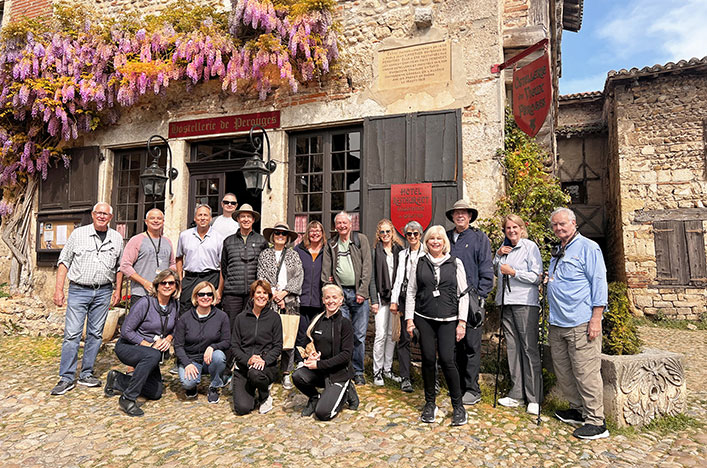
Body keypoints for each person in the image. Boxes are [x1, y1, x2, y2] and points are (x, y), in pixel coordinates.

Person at [547, 207, 609, 440]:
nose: (558, 228)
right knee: (564, 371)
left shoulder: (588, 248)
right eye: (555, 225)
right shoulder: (558, 250)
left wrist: (596, 318)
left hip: (581, 321)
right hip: (558, 322)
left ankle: (596, 421)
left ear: (574, 223)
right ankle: (578, 410)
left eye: (562, 224)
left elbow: (599, 283)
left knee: (586, 372)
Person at [51, 202, 124, 396]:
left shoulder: (116, 238)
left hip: (103, 291)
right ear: (92, 215)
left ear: (110, 217)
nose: (101, 216)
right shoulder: (78, 234)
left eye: (105, 214)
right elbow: (64, 261)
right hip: (78, 290)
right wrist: (59, 289)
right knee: (72, 334)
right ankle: (66, 377)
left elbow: (119, 267)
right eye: (98, 213)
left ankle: (86, 373)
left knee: (95, 334)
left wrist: (117, 290)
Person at [405, 225, 469, 426]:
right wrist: (409, 319)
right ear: (427, 241)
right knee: (428, 359)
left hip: (449, 319)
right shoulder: (419, 262)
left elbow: (463, 294)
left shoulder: (455, 262)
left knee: (448, 360)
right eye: (431, 238)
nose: (435, 242)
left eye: (439, 239)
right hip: (424, 316)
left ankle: (458, 406)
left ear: (444, 242)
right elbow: (411, 291)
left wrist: (462, 322)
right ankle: (430, 403)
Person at [104, 269, 179, 416]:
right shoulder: (145, 303)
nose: (167, 286)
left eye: (171, 283)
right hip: (129, 347)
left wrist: (169, 339)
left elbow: (176, 327)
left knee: (156, 392)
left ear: (176, 286)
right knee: (152, 355)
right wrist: (148, 345)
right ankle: (128, 398)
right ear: (157, 285)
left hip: (152, 353)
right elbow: (126, 330)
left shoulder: (175, 305)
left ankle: (117, 379)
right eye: (163, 283)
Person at [493, 214, 543, 415]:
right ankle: (516, 394)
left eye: (515, 227)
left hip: (525, 302)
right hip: (506, 302)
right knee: (512, 348)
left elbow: (536, 277)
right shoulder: (504, 249)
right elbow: (497, 272)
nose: (511, 231)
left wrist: (513, 272)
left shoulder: (530, 247)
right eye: (508, 228)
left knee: (529, 348)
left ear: (522, 228)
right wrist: (497, 255)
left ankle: (534, 398)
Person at [445, 199, 494, 406]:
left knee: (471, 345)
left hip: (472, 299)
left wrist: (481, 296)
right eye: (457, 213)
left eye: (464, 213)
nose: (460, 216)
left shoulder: (479, 238)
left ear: (470, 216)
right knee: (453, 345)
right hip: (449, 300)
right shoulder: (446, 237)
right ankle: (457, 387)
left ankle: (472, 389)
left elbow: (486, 269)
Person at [292, 284, 359, 421]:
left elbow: (346, 356)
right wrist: (311, 354)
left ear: (341, 300)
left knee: (323, 414)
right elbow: (307, 344)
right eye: (327, 297)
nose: (331, 301)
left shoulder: (345, 324)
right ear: (323, 300)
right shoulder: (317, 321)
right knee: (298, 375)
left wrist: (318, 365)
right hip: (321, 373)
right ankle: (314, 397)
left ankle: (347, 389)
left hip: (339, 374)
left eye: (335, 297)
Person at [321, 211, 372, 385]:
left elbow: (367, 267)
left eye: (345, 222)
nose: (342, 226)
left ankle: (358, 371)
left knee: (358, 335)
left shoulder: (361, 240)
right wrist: (331, 290)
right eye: (339, 223)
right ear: (335, 226)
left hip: (359, 295)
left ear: (351, 224)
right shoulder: (332, 244)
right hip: (340, 296)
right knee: (339, 335)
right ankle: (342, 369)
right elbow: (326, 271)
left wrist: (362, 292)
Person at [257, 222, 303, 390]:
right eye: (277, 233)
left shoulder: (293, 255)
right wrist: (274, 295)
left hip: (289, 300)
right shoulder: (264, 255)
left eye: (284, 234)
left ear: (288, 238)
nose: (280, 236)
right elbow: (261, 276)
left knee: (288, 337)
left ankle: (286, 373)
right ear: (272, 235)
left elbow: (298, 276)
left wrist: (284, 294)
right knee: (268, 338)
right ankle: (268, 371)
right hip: (269, 300)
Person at [231, 280, 283, 415]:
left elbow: (278, 346)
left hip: (265, 366)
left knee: (255, 373)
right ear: (252, 295)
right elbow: (235, 346)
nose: (262, 296)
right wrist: (248, 359)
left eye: (265, 293)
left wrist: (263, 359)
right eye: (258, 292)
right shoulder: (240, 318)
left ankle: (264, 394)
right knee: (242, 409)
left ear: (269, 297)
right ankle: (250, 390)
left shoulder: (274, 318)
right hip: (244, 366)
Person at [174, 281, 231, 404]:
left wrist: (213, 347)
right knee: (188, 383)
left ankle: (214, 386)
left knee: (219, 356)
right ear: (196, 297)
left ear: (213, 297)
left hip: (209, 359)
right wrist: (187, 363)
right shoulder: (185, 318)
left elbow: (227, 341)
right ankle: (193, 386)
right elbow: (178, 345)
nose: (206, 297)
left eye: (209, 294)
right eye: (202, 294)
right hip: (191, 359)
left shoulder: (222, 316)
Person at [219, 203, 268, 327]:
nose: (246, 219)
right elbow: (224, 267)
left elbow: (265, 266)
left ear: (253, 220)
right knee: (232, 325)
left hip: (253, 293)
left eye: (249, 217)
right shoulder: (228, 241)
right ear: (238, 219)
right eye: (243, 216)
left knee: (251, 326)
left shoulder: (261, 241)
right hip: (232, 293)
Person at [389, 220, 424, 393]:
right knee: (403, 339)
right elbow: (398, 278)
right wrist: (394, 300)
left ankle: (430, 377)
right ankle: (405, 377)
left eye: (415, 234)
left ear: (420, 235)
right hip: (404, 298)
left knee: (426, 339)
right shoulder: (403, 254)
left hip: (423, 299)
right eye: (408, 234)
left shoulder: (427, 252)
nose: (411, 237)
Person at [369, 219, 403, 386]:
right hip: (381, 299)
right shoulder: (375, 251)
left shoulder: (399, 250)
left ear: (392, 232)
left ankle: (388, 369)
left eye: (388, 231)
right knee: (380, 335)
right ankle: (377, 371)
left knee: (392, 335)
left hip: (395, 299)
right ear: (378, 234)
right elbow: (372, 278)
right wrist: (374, 300)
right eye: (382, 232)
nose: (385, 235)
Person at [120, 208, 176, 307]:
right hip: (141, 293)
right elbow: (125, 266)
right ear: (146, 222)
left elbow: (172, 264)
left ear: (163, 222)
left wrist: (168, 279)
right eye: (152, 218)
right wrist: (144, 282)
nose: (155, 221)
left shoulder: (167, 242)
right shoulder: (136, 240)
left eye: (159, 218)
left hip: (163, 295)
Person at [176, 204, 224, 314]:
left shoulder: (219, 238)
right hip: (190, 279)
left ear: (210, 218)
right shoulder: (184, 235)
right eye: (200, 215)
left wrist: (219, 290)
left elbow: (223, 266)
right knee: (186, 311)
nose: (203, 218)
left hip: (211, 278)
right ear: (195, 218)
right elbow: (179, 258)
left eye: (206, 215)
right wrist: (180, 280)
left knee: (210, 312)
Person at [294, 220, 326, 354]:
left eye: (318, 231)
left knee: (316, 332)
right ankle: (299, 359)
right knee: (301, 331)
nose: (315, 234)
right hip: (303, 297)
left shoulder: (327, 251)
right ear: (307, 233)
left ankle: (314, 358)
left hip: (319, 299)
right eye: (312, 231)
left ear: (322, 233)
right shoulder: (298, 250)